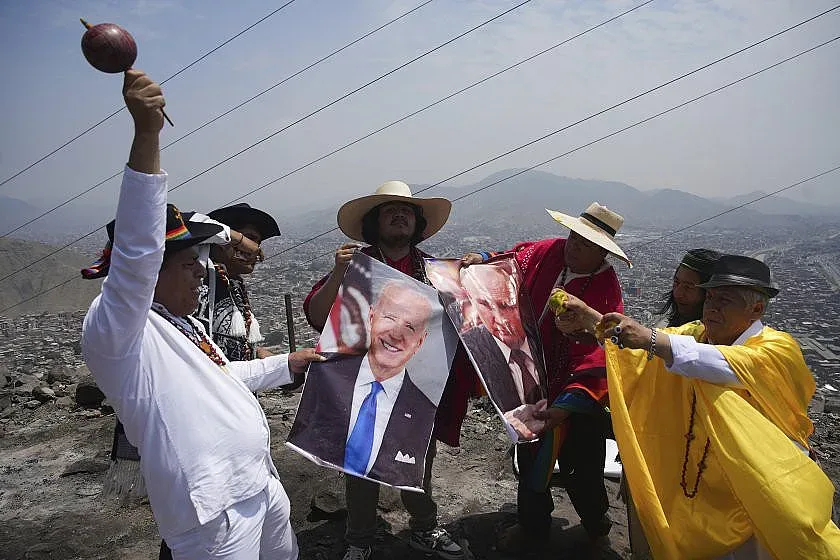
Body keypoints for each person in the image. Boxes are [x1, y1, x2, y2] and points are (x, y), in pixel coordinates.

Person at [81, 70, 325, 559]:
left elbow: (222, 375)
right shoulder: (120, 330)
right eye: (189, 263)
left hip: (257, 484)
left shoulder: (181, 322)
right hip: (211, 514)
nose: (201, 272)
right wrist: (146, 133)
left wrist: (288, 363)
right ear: (151, 272)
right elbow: (137, 250)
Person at [515, 254, 840, 559]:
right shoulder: (696, 334)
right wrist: (591, 319)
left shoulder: (776, 349)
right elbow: (642, 350)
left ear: (756, 310)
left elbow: (723, 364)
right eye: (710, 297)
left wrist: (651, 340)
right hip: (699, 481)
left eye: (725, 300)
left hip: (757, 482)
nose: (712, 307)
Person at [304, 181, 472, 560]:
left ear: (417, 223)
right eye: (390, 210)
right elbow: (318, 315)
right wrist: (338, 274)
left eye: (407, 211)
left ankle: (423, 526)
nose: (400, 216)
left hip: (416, 385)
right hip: (364, 383)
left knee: (416, 460)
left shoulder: (435, 271)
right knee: (360, 460)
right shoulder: (357, 266)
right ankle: (360, 538)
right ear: (374, 223)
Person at [462, 202, 630, 553]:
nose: (574, 246)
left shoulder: (605, 287)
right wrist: (481, 257)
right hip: (528, 379)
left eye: (586, 244)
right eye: (574, 237)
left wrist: (568, 404)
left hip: (575, 394)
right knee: (528, 457)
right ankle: (532, 525)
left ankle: (596, 525)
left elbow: (601, 350)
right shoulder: (549, 251)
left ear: (602, 252)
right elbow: (510, 261)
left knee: (581, 467)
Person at [290, 281, 437, 486]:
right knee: (359, 501)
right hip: (351, 484)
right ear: (371, 317)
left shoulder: (423, 411)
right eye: (390, 317)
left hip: (405, 487)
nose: (395, 334)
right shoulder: (327, 376)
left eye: (410, 326)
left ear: (420, 342)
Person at [625, 247, 720, 559]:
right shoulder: (672, 330)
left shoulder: (715, 342)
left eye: (689, 287)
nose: (679, 292)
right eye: (677, 282)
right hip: (658, 440)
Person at [198, 202, 282, 361]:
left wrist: (262, 356)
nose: (256, 249)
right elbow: (181, 224)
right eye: (250, 240)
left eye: (258, 243)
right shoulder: (199, 276)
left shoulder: (233, 285)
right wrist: (237, 238)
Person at [459, 263, 543, 414]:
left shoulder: (544, 336)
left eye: (506, 306)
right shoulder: (470, 347)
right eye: (485, 305)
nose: (500, 319)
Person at [654, 248, 721, 328]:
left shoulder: (718, 337)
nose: (678, 294)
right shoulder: (666, 328)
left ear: (708, 292)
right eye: (676, 283)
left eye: (688, 287)